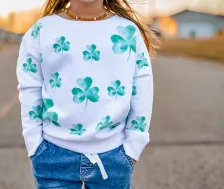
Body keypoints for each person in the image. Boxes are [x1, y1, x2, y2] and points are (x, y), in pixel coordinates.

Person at [16, 0, 158, 188]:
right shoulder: (42, 30)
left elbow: (142, 88)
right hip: (52, 153)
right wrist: (34, 144)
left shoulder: (127, 31)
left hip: (114, 154)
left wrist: (133, 147)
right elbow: (30, 87)